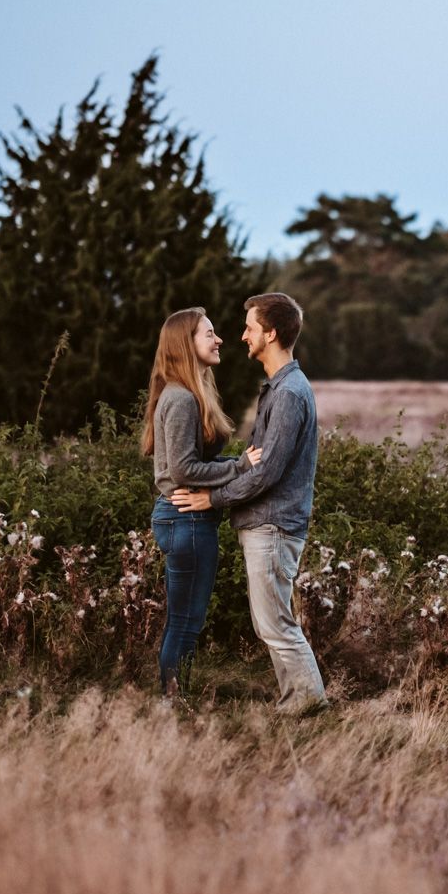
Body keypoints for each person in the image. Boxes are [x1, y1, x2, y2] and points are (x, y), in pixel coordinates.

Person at [172, 292, 325, 714]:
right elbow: (257, 464)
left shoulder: (290, 393)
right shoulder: (280, 389)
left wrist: (212, 499)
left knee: (275, 622)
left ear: (271, 334)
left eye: (250, 328)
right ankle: (299, 700)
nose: (242, 336)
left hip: (273, 526)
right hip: (267, 525)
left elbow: (267, 472)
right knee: (270, 621)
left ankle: (307, 703)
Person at [142, 307, 260, 697]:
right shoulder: (180, 400)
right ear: (185, 344)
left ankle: (175, 698)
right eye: (208, 333)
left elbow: (196, 463)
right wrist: (240, 467)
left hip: (187, 518)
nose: (219, 339)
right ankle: (172, 704)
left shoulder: (188, 395)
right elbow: (183, 470)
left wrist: (232, 465)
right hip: (184, 516)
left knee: (187, 620)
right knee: (184, 622)